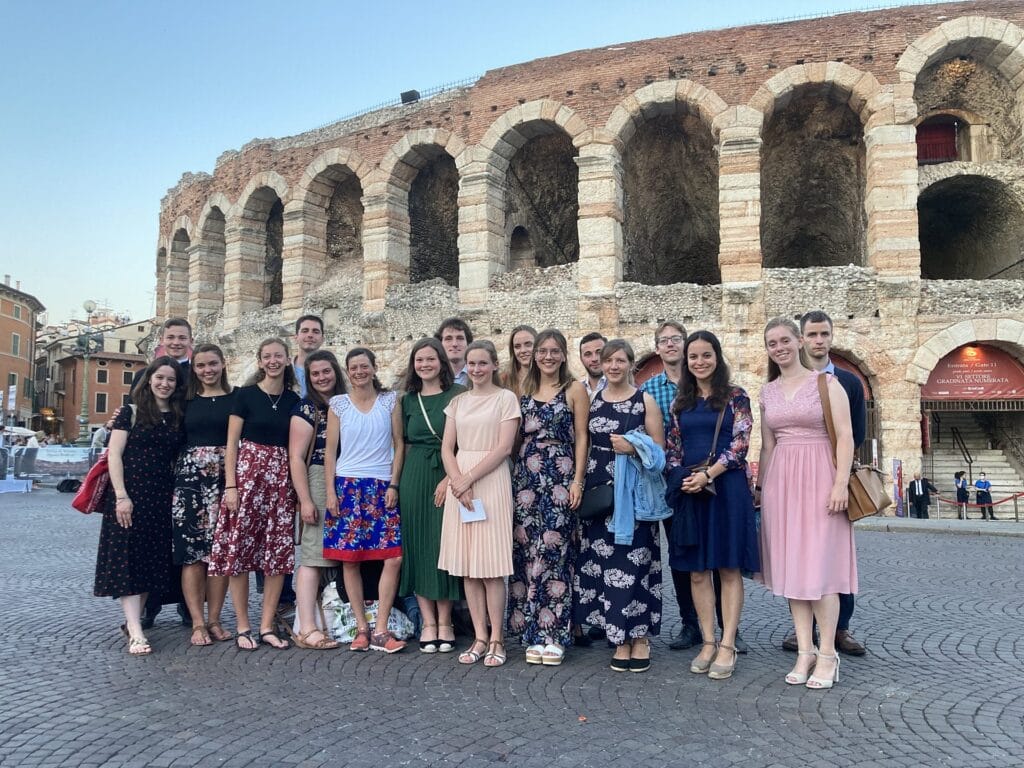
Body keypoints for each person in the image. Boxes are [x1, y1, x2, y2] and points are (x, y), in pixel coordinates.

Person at [756, 317, 856, 690]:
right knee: (793, 570)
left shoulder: (827, 383)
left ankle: (828, 653)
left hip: (821, 477)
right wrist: (762, 489)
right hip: (783, 480)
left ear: (799, 341)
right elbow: (767, 445)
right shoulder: (767, 393)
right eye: (771, 343)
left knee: (822, 570)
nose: (779, 347)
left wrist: (840, 483)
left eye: (784, 340)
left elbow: (845, 436)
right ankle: (804, 650)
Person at [666, 331, 759, 681]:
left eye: (706, 355)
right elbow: (673, 445)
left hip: (725, 488)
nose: (700, 362)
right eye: (694, 357)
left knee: (728, 567)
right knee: (697, 570)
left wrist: (709, 475)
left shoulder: (736, 396)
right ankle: (707, 641)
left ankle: (728, 643)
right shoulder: (681, 401)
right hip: (692, 490)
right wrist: (681, 475)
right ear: (687, 362)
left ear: (717, 358)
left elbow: (740, 444)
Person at [574, 339, 664, 673]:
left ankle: (639, 637)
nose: (613, 366)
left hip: (633, 497)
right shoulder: (593, 401)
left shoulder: (645, 402)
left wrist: (633, 447)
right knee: (605, 566)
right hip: (601, 496)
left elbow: (659, 454)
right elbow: (581, 442)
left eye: (620, 360)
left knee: (635, 566)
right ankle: (618, 637)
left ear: (631, 364)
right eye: (608, 360)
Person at [211, 337, 300, 651]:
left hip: (281, 479)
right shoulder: (244, 396)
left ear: (288, 360)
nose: (273, 361)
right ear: (260, 362)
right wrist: (231, 485)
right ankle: (243, 625)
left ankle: (265, 626)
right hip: (247, 478)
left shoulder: (293, 400)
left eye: (278, 356)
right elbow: (231, 444)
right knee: (241, 553)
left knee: (277, 554)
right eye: (267, 357)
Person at [507, 329, 589, 666]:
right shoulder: (524, 391)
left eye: (554, 351)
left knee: (555, 554)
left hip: (560, 476)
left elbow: (582, 437)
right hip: (527, 478)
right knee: (527, 552)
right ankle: (531, 632)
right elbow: (513, 442)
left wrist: (578, 481)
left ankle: (553, 633)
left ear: (564, 354)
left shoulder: (574, 389)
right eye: (542, 351)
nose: (548, 357)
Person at [93, 357, 185, 655]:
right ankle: (135, 630)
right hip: (129, 496)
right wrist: (121, 496)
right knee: (129, 561)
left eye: (171, 379)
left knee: (150, 562)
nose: (165, 383)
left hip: (161, 497)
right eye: (160, 377)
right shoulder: (129, 413)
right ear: (149, 380)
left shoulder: (177, 415)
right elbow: (114, 455)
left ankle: (132, 622)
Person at [790, 310, 868, 657]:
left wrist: (838, 476)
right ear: (802, 339)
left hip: (834, 474)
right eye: (812, 335)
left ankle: (841, 628)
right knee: (802, 553)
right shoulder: (794, 379)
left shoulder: (849, 382)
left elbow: (858, 433)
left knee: (836, 555)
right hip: (801, 478)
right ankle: (806, 631)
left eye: (824, 334)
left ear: (831, 337)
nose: (819, 341)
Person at [439, 340, 521, 667]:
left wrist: (466, 479)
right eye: (471, 364)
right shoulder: (457, 402)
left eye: (482, 363)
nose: (476, 369)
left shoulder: (505, 399)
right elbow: (447, 447)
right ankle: (479, 636)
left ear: (494, 365)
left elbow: (503, 448)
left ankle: (498, 637)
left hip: (490, 481)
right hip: (461, 481)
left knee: (490, 567)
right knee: (469, 567)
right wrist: (458, 481)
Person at [323, 348, 406, 653]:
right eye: (353, 367)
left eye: (364, 366)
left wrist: (394, 483)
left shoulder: (390, 401)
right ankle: (361, 627)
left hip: (381, 484)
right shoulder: (339, 404)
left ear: (374, 368)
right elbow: (331, 450)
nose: (359, 371)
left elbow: (399, 444)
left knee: (393, 556)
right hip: (347, 484)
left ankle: (381, 628)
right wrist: (330, 491)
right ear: (347, 371)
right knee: (350, 558)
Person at [396, 338, 465, 653]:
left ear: (441, 361)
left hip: (448, 474)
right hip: (415, 477)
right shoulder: (407, 401)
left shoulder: (458, 396)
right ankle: (428, 622)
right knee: (418, 546)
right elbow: (401, 445)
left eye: (430, 359)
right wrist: (396, 485)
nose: (424, 365)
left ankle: (446, 621)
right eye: (419, 360)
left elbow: (466, 443)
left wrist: (450, 478)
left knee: (444, 546)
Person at [639, 321, 704, 652]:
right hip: (667, 484)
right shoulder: (650, 389)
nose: (670, 345)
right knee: (679, 554)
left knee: (714, 555)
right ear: (657, 348)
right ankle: (690, 623)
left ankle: (724, 625)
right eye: (663, 341)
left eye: (675, 339)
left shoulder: (703, 383)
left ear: (684, 343)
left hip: (706, 478)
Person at [170, 344, 235, 646]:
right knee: (192, 557)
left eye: (213, 364)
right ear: (193, 369)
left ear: (223, 364)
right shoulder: (183, 402)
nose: (207, 370)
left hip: (225, 482)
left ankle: (215, 619)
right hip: (190, 483)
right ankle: (197, 622)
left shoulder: (236, 399)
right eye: (200, 366)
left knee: (219, 555)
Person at [287, 350, 346, 650]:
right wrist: (305, 500)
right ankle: (306, 627)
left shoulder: (345, 403)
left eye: (326, 371)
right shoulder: (307, 408)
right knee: (313, 556)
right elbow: (297, 458)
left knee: (340, 555)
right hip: (319, 478)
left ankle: (334, 621)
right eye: (315, 374)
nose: (322, 377)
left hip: (347, 479)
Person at [292, 314, 325, 398]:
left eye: (315, 331)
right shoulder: (284, 370)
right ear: (296, 337)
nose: (310, 335)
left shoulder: (336, 371)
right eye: (305, 331)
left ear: (322, 339)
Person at [435, 317, 473, 386]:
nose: (454, 344)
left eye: (460, 338)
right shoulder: (433, 377)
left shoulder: (479, 375)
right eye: (448, 339)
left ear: (468, 343)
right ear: (440, 343)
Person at [501, 325, 537, 397]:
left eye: (528, 345)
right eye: (517, 346)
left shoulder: (549, 378)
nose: (523, 350)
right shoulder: (503, 380)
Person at [578, 332, 607, 401]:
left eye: (599, 352)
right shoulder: (577, 390)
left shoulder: (620, 386)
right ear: (581, 359)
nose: (594, 359)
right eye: (588, 354)